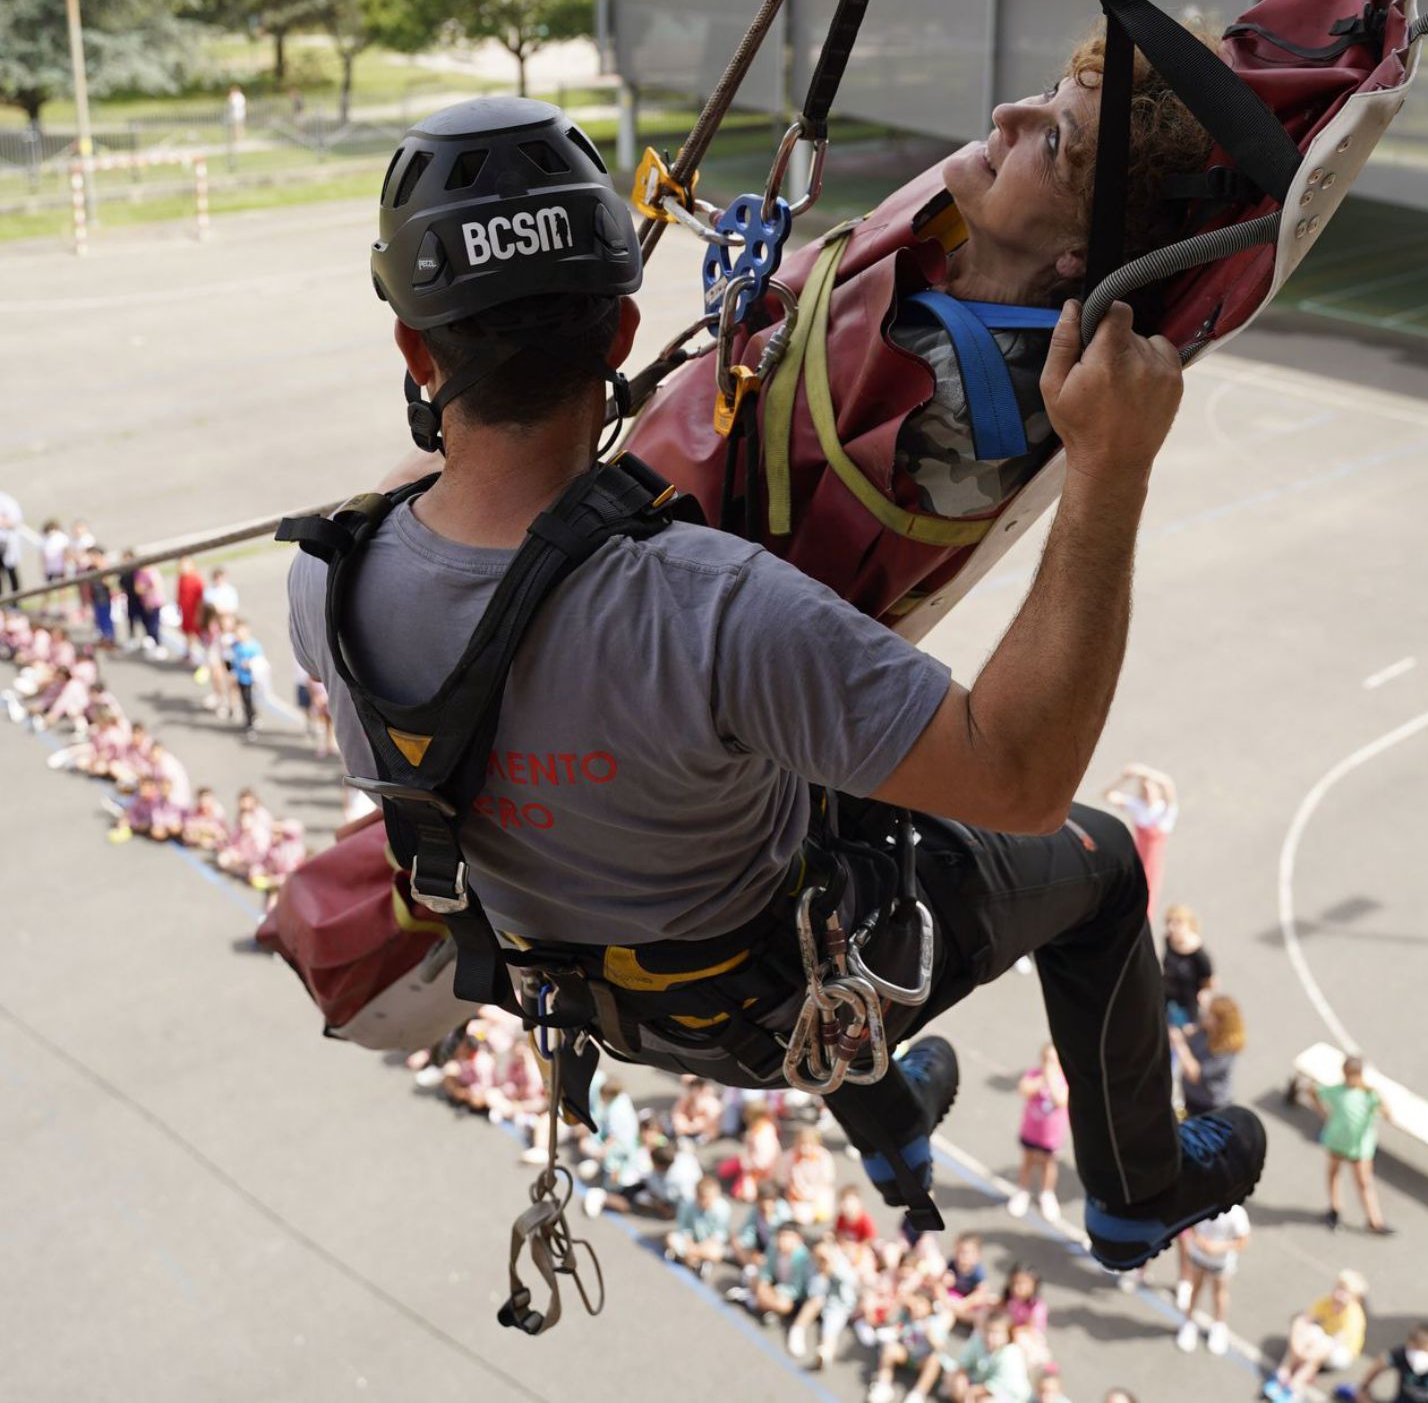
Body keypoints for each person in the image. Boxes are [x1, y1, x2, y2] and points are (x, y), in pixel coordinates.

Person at [285, 94, 1265, 1268]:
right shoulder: (719, 608)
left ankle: (894, 1126)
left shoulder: (325, 581)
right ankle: (1138, 1190)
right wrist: (1110, 465)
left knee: (787, 770)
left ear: (415, 351)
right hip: (750, 994)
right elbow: (1020, 777)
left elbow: (441, 500)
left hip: (572, 974)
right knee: (1093, 865)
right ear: (621, 333)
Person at [1313, 1055, 1392, 1235]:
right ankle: (1335, 1208)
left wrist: (1379, 1099)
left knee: (1364, 1182)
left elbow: (1387, 1113)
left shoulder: (1369, 1095)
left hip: (1359, 1147)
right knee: (1333, 1172)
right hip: (1338, 1141)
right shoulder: (1337, 1091)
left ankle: (1375, 1220)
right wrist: (1322, 1112)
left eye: (1353, 1075)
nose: (1350, 1079)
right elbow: (1314, 1091)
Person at [1264, 1269, 1367, 1401]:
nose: (1339, 1295)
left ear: (1355, 1299)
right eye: (1338, 1288)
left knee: (1315, 1353)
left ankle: (1295, 1385)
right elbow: (1301, 1321)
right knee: (1311, 1332)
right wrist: (1296, 1346)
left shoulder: (1352, 1319)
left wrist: (1304, 1355)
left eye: (1345, 1293)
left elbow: (1332, 1345)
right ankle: (1283, 1372)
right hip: (1325, 1339)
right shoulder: (1326, 1302)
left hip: (1341, 1352)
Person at [1102, 766, 1178, 921]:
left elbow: (1168, 784)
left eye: (1151, 788)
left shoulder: (1164, 811)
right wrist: (1125, 779)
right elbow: (1108, 795)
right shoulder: (1138, 806)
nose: (1148, 791)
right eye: (1145, 788)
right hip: (1137, 855)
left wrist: (1144, 772)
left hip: (1152, 861)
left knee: (1147, 892)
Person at [1174, 1203, 1249, 1355]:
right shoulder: (1201, 1203)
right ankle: (1188, 1321)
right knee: (1195, 1289)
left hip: (1220, 1263)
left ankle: (1219, 1325)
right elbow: (1189, 1224)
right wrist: (1198, 1240)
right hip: (1198, 1256)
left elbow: (1243, 1242)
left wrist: (1217, 1247)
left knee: (1219, 1293)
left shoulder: (1236, 1214)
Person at [1008, 1042, 1069, 1221]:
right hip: (1031, 1131)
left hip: (1051, 1136)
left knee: (1048, 1165)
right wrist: (1043, 1078)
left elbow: (1060, 1100)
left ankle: (1047, 1193)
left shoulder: (1063, 1082)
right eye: (1046, 1060)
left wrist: (1051, 1079)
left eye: (1053, 1061)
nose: (1049, 1064)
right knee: (1027, 1161)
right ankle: (1023, 1190)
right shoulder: (1034, 1075)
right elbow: (1023, 1090)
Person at [787, 1233, 858, 1369]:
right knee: (815, 1302)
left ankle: (825, 1353)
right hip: (817, 1299)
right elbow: (812, 1291)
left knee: (831, 1328)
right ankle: (797, 1330)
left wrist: (833, 1269)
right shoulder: (810, 1264)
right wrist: (822, 1274)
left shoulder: (840, 1262)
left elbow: (851, 1282)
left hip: (837, 1304)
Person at [1171, 995, 1246, 1118]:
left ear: (1221, 1022)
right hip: (1191, 1095)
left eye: (1210, 1015)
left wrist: (1180, 1044)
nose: (1206, 1016)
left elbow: (1194, 1074)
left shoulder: (1227, 1050)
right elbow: (1192, 1032)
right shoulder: (1206, 1030)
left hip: (1209, 1104)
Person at [1353, 1323, 1428, 1402]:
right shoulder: (1401, 1355)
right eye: (1415, 1349)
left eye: (1425, 1350)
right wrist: (1364, 1388)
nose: (1418, 1356)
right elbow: (1379, 1365)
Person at [947, 1313, 1032, 1403]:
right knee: (954, 1379)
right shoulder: (978, 1339)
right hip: (979, 1383)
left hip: (1009, 1395)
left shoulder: (1012, 1353)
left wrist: (973, 1391)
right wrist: (961, 1377)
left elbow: (1000, 1385)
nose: (990, 1336)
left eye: (996, 1332)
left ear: (1008, 1334)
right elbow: (963, 1363)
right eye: (987, 1331)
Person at [663, 1174, 734, 1278]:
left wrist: (696, 1249)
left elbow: (719, 1235)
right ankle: (695, 1261)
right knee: (671, 1238)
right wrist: (689, 1242)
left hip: (707, 1244)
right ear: (697, 1196)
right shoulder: (687, 1205)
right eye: (704, 1198)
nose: (707, 1202)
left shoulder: (723, 1209)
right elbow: (683, 1227)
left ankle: (685, 1257)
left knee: (717, 1252)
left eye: (710, 1198)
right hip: (691, 1241)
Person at [1160, 905, 1213, 1027]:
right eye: (1169, 922)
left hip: (1186, 1003)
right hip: (1167, 994)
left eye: (1177, 923)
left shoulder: (1198, 954)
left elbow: (1209, 979)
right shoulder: (1168, 940)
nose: (1171, 927)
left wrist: (1204, 992)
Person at [176, 558, 206, 666]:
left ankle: (204, 657)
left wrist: (200, 614)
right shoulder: (181, 578)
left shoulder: (196, 579)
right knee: (187, 633)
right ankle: (188, 652)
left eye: (186, 565)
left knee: (197, 635)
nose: (183, 568)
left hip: (195, 612)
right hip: (186, 612)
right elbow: (179, 595)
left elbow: (201, 599)